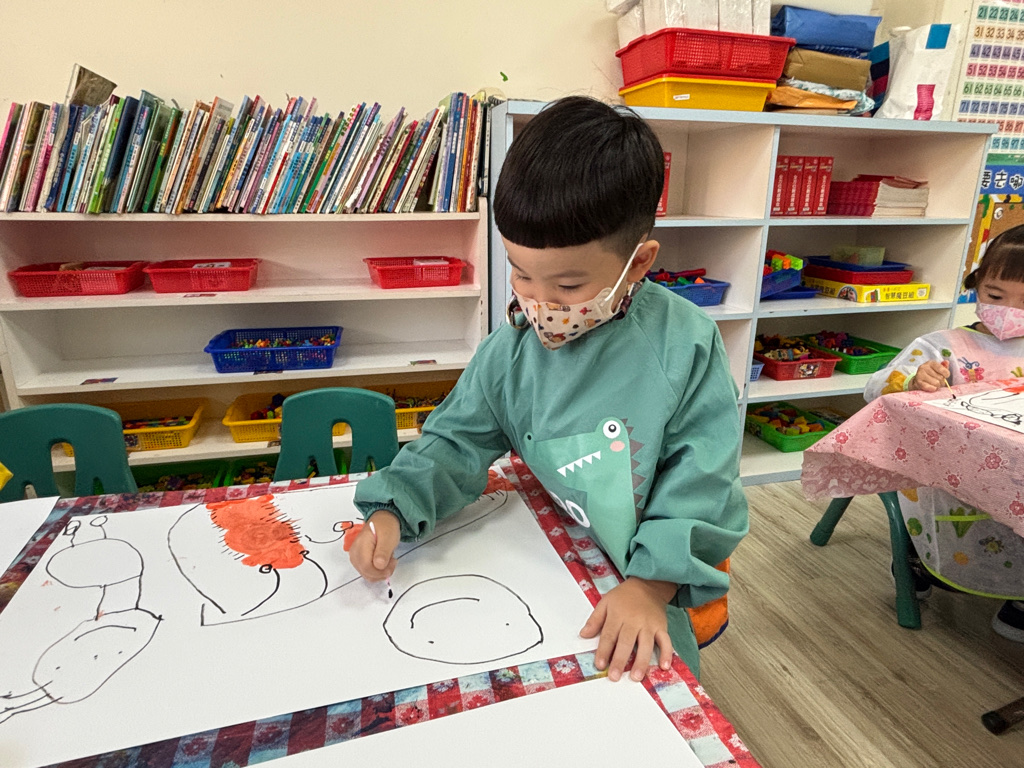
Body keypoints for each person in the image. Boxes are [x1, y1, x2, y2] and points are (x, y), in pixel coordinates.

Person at [348, 95, 748, 681]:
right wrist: (394, 509)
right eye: (520, 272)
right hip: (566, 562)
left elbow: (703, 481)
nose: (539, 302)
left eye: (568, 285)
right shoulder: (511, 347)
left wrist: (650, 585)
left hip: (657, 581)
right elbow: (455, 442)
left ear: (638, 265)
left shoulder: (684, 345)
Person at [864, 224, 1024, 642]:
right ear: (977, 285)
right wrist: (913, 380)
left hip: (1016, 472)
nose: (1010, 310)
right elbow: (874, 389)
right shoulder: (943, 345)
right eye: (996, 296)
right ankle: (920, 560)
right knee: (951, 513)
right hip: (949, 473)